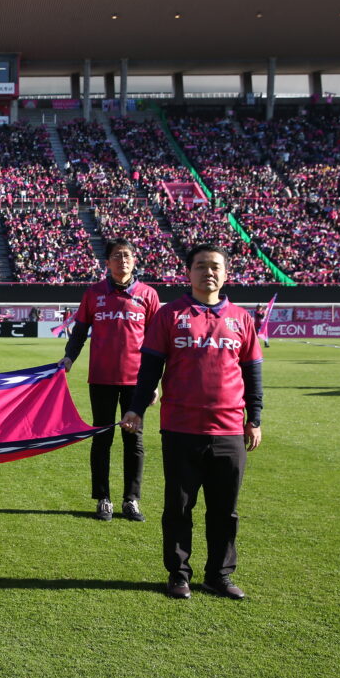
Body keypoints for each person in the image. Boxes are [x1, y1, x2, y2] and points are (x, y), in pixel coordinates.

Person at [119, 244, 263, 601]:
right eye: (201, 266)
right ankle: (178, 574)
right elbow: (150, 368)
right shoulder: (169, 315)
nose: (208, 272)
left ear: (226, 274)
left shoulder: (241, 319)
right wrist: (136, 408)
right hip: (181, 427)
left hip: (229, 429)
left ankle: (219, 576)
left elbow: (252, 373)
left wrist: (255, 418)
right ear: (188, 272)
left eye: (215, 266)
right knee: (179, 508)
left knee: (224, 510)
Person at [61, 239, 160, 522]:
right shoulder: (94, 293)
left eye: (127, 255)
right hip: (101, 378)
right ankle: (103, 498)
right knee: (102, 439)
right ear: (107, 263)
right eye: (117, 256)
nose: (122, 260)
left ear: (134, 260)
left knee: (134, 440)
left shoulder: (148, 295)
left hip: (137, 382)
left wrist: (153, 382)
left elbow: (157, 343)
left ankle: (131, 500)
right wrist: (69, 358)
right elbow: (80, 331)